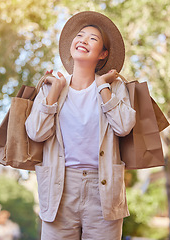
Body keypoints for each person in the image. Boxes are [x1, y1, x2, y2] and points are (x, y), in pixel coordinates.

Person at [25, 11, 136, 240]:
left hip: (103, 187)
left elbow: (124, 126)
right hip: (60, 186)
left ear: (103, 54)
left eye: (93, 38)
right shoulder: (51, 87)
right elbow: (35, 132)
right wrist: (54, 92)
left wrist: (103, 86)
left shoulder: (114, 88)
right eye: (80, 35)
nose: (83, 40)